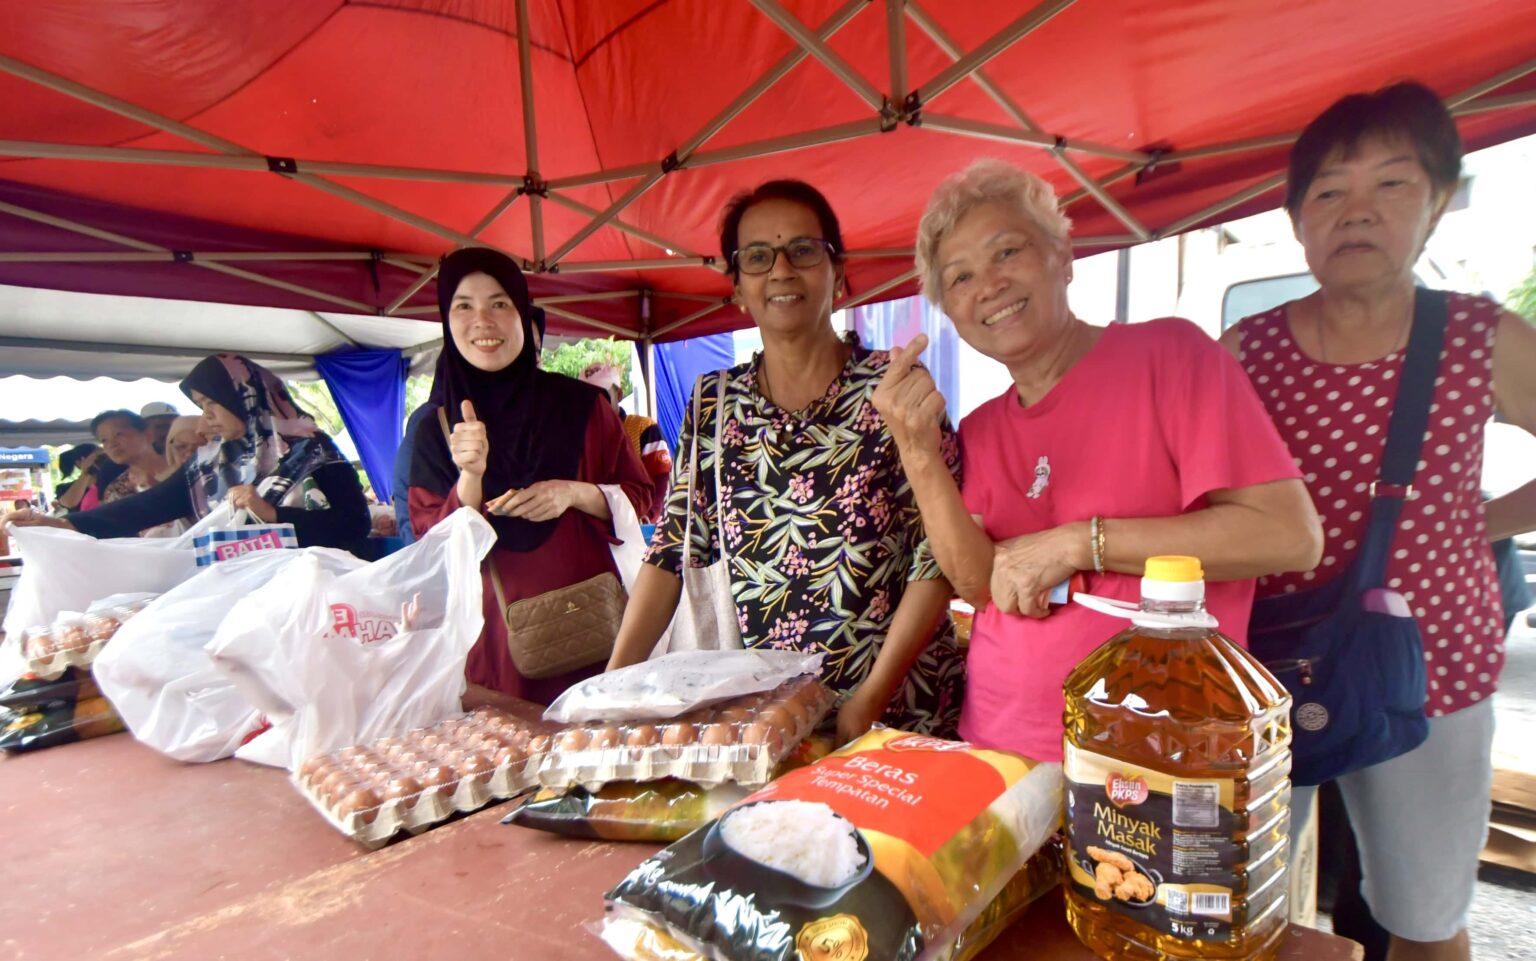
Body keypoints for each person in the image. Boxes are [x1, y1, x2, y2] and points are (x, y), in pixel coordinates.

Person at [1220, 81, 1536, 961]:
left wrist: (1478, 521)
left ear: (1437, 203)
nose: (1357, 211)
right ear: (1297, 220)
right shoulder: (1247, 349)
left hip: (1432, 671)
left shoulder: (1481, 335)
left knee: (1424, 919)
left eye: (1392, 183)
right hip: (1268, 670)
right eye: (1328, 191)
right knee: (1235, 910)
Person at [871, 158, 1322, 762]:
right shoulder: (979, 429)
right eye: (960, 278)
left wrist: (1077, 543)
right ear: (950, 312)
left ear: (1063, 257)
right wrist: (917, 451)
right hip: (1001, 745)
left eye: (1008, 252)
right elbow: (979, 588)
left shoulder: (1171, 356)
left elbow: (1289, 535)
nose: (989, 285)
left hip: (1157, 753)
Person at [605, 180, 967, 742]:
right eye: (757, 257)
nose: (780, 270)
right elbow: (671, 552)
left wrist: (869, 700)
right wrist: (609, 691)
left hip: (898, 712)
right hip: (771, 720)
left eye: (802, 250)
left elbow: (936, 556)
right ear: (738, 287)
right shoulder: (713, 402)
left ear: (838, 273)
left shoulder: (893, 386)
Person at [407, 248, 651, 703]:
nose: (483, 321)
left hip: (596, 631)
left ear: (522, 312)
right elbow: (433, 555)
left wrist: (573, 493)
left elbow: (643, 499)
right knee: (513, 746)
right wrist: (470, 477)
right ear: (446, 320)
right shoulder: (433, 430)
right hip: (498, 651)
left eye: (499, 303)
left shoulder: (583, 407)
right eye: (464, 306)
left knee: (604, 741)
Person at [3, 354, 371, 554]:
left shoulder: (311, 449)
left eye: (211, 403)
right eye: (200, 406)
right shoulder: (213, 462)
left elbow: (355, 522)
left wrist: (273, 514)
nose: (205, 419)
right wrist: (66, 524)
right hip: (242, 590)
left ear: (244, 397)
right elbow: (149, 505)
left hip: (313, 592)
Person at [392, 307, 548, 548]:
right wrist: (471, 479)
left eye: (535, 352)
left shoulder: (538, 420)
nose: (530, 362)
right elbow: (416, 528)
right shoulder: (433, 424)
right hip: (466, 566)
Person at [580, 362, 673, 522]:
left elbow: (662, 479)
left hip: (640, 524)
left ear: (619, 394)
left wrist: (648, 518)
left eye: (602, 396)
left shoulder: (643, 428)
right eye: (586, 397)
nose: (596, 403)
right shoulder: (580, 435)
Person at [90, 409, 181, 536]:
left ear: (146, 434)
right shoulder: (116, 489)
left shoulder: (181, 469)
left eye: (119, 434)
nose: (112, 444)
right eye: (104, 440)